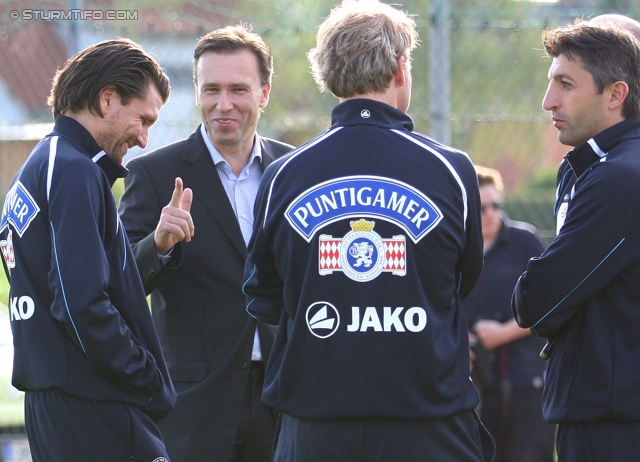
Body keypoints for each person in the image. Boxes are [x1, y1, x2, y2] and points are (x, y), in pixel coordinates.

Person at [242, 1, 494, 460]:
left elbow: (264, 293)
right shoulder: (451, 170)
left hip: (314, 422)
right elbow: (459, 280)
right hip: (427, 420)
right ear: (401, 67)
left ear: (326, 72)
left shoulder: (283, 174)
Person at [118, 25, 294, 461]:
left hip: (284, 396)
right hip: (193, 404)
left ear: (265, 93)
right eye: (211, 89)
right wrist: (158, 245)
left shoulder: (296, 171)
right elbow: (117, 281)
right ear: (196, 92)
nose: (223, 104)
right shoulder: (154, 174)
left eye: (238, 89)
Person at [0, 39, 176, 461]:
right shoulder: (73, 170)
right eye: (143, 119)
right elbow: (81, 304)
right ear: (107, 98)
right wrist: (145, 375)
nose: (145, 139)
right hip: (91, 403)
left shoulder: (42, 165)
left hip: (60, 398)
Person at [512, 19, 640, 462]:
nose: (549, 101)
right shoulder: (599, 164)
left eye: (566, 84)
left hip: (614, 421)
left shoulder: (621, 177)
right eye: (551, 82)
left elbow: (537, 301)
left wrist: (553, 306)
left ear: (616, 94)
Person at [464, 166, 554, 462]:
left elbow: (549, 306)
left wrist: (502, 332)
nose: (490, 213)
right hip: (475, 382)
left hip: (525, 379)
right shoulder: (457, 249)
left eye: (495, 205)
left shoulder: (524, 242)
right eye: (480, 207)